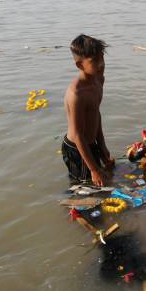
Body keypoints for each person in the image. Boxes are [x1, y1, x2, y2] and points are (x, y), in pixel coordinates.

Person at [62, 34, 114, 186]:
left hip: (91, 143)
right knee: (84, 187)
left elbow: (95, 113)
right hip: (76, 147)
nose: (101, 64)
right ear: (80, 65)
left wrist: (102, 146)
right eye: (95, 61)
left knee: (104, 180)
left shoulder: (99, 80)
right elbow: (78, 135)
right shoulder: (76, 94)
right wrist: (94, 169)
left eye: (102, 58)